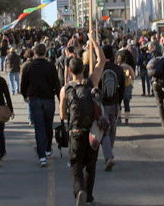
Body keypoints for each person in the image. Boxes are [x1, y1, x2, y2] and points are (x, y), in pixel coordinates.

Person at [59, 37, 106, 206]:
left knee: (76, 165)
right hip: (92, 130)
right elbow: (102, 61)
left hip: (75, 131)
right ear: (84, 69)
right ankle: (89, 196)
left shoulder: (65, 89)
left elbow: (63, 114)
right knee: (90, 166)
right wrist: (93, 42)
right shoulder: (90, 82)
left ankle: (79, 191)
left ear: (70, 72)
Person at [20, 43, 60, 167]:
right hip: (49, 99)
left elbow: (24, 83)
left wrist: (25, 95)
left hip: (35, 99)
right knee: (48, 125)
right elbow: (56, 84)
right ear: (45, 53)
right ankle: (48, 149)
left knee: (39, 127)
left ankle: (41, 155)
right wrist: (60, 98)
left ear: (34, 53)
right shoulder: (51, 66)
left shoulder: (28, 66)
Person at [97, 44, 125, 172]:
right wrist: (119, 103)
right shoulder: (118, 69)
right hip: (114, 102)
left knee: (104, 130)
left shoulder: (99, 68)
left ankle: (108, 156)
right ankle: (110, 152)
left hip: (102, 103)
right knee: (113, 129)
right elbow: (122, 88)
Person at [117, 49, 136, 125]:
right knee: (126, 103)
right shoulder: (129, 67)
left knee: (119, 103)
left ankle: (119, 118)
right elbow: (133, 77)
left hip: (119, 86)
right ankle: (127, 119)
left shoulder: (118, 67)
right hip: (127, 85)